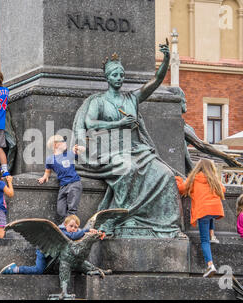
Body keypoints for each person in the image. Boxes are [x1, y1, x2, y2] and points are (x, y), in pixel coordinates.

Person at [72, 43, 185, 239]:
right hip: (110, 150)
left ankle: (165, 224)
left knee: (166, 174)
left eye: (121, 75)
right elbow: (90, 123)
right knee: (128, 168)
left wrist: (166, 60)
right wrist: (120, 123)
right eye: (115, 75)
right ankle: (119, 217)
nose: (119, 79)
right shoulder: (98, 100)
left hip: (136, 149)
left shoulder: (132, 98)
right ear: (107, 77)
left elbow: (156, 81)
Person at [175, 159, 226, 277]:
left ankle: (210, 265)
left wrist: (177, 179)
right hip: (214, 209)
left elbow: (182, 189)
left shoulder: (194, 179)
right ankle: (212, 234)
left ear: (198, 167)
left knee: (204, 240)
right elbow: (223, 189)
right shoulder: (213, 179)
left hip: (203, 211)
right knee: (210, 215)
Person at [0, 214, 99, 275]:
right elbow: (72, 235)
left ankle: (94, 269)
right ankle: (15, 269)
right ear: (65, 225)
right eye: (71, 226)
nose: (73, 228)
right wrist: (86, 230)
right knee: (39, 270)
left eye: (76, 227)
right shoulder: (61, 231)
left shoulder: (75, 233)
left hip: (54, 256)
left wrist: (91, 233)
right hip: (43, 251)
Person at [38, 135, 86, 223]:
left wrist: (79, 148)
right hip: (63, 186)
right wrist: (45, 177)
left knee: (72, 209)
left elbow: (83, 150)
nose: (65, 143)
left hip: (74, 183)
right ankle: (65, 226)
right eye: (63, 141)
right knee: (60, 211)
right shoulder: (50, 159)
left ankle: (72, 229)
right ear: (56, 145)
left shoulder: (69, 154)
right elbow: (47, 171)